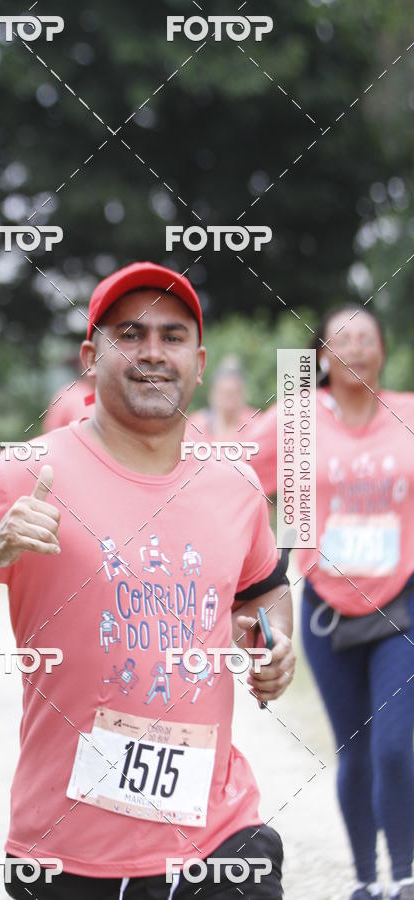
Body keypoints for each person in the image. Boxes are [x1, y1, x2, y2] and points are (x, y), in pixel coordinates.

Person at [0, 261, 295, 899]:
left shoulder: (234, 484)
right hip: (64, 858)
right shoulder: (26, 473)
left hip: (218, 839)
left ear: (200, 360)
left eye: (172, 335)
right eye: (128, 334)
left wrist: (271, 641)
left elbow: (263, 586)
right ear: (88, 356)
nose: (153, 352)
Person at [247, 304, 414, 900]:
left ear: (384, 351)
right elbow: (231, 467)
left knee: (397, 746)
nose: (358, 347)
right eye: (343, 338)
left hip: (403, 605)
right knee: (356, 750)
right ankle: (367, 881)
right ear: (321, 356)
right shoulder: (297, 420)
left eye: (368, 337)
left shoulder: (408, 413)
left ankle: (405, 875)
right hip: (325, 605)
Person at [186, 356, 254, 441]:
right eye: (224, 393)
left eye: (233, 394)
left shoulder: (255, 424)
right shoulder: (196, 424)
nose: (228, 402)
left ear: (242, 395)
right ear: (213, 394)